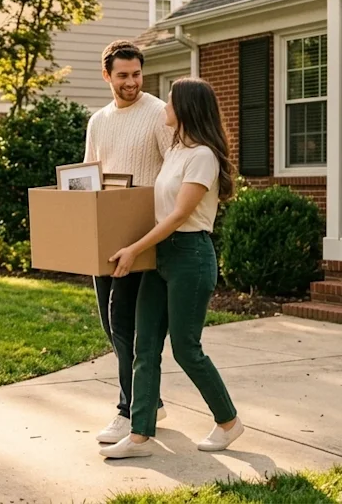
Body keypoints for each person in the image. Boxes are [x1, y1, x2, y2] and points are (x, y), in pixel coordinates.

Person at [99, 77, 243, 459]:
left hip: (190, 257)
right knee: (144, 346)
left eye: (170, 101)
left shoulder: (203, 156)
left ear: (187, 109)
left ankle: (229, 421)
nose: (164, 107)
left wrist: (134, 250)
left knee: (186, 349)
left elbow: (179, 215)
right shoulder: (178, 150)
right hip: (161, 256)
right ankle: (139, 436)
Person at [83, 40, 172, 445]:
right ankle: (149, 401)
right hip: (105, 235)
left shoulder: (158, 114)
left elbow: (175, 170)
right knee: (110, 323)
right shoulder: (98, 121)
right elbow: (88, 176)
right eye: (123, 75)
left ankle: (129, 409)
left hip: (143, 236)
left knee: (125, 324)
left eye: (137, 74)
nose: (132, 82)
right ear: (107, 76)